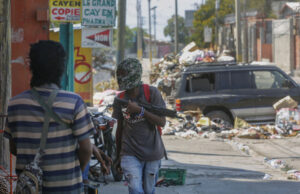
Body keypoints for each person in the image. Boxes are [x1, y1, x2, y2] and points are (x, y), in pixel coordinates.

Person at [4, 40, 94, 194]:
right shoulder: (74, 102)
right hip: (67, 187)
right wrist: (75, 170)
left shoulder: (15, 104)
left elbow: (14, 148)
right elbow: (86, 148)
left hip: (30, 188)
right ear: (61, 68)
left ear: (32, 67)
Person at [113, 58, 166, 194]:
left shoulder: (152, 93)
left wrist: (141, 111)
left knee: (149, 190)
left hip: (152, 153)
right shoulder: (119, 99)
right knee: (135, 189)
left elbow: (162, 122)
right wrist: (118, 155)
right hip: (129, 153)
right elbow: (119, 129)